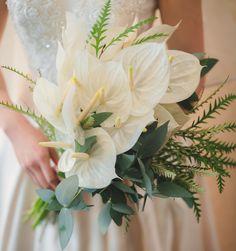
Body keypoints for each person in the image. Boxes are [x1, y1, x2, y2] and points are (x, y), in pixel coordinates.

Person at [0, 1, 214, 250]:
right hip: (38, 147)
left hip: (137, 145)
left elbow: (190, 62)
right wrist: (14, 127)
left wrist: (135, 144)